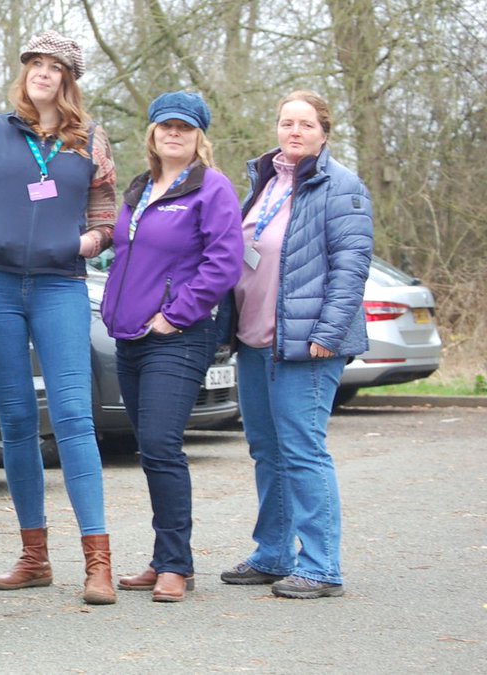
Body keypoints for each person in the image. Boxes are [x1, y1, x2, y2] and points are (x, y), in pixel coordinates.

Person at [0, 30, 119, 605]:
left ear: (68, 79)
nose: (43, 74)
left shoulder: (91, 140)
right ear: (25, 72)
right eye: (35, 64)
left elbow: (107, 216)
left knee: (74, 417)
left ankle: (98, 562)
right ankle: (34, 557)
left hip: (60, 287)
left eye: (54, 67)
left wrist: (85, 242)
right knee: (15, 422)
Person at [216, 90, 373, 599]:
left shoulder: (341, 186)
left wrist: (328, 333)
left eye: (306, 124)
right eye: (287, 123)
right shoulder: (265, 181)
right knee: (267, 450)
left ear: (324, 132)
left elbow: (351, 268)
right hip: (255, 340)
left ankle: (322, 566)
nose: (295, 132)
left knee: (303, 451)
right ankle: (274, 554)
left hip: (307, 345)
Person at [100, 92, 243, 602]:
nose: (174, 133)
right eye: (166, 126)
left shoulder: (212, 188)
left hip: (178, 337)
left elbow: (224, 264)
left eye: (184, 127)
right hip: (131, 337)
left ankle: (176, 565)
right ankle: (163, 557)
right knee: (151, 451)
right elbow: (125, 254)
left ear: (199, 135)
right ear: (153, 133)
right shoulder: (140, 188)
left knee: (162, 446)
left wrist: (174, 315)